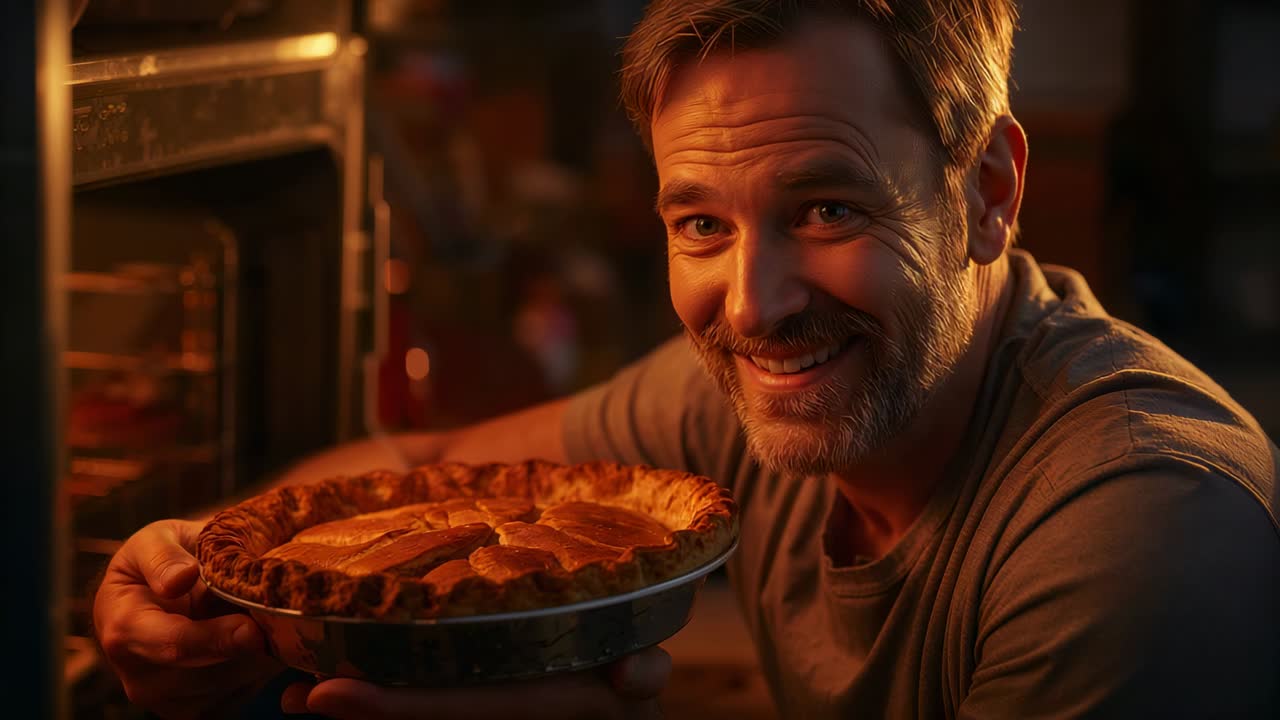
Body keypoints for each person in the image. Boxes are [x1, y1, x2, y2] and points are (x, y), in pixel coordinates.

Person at [93, 1, 1280, 718]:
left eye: (826, 209)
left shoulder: (1143, 528)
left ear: (985, 192)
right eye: (701, 222)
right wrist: (196, 577)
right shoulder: (760, 401)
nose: (752, 308)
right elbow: (417, 473)